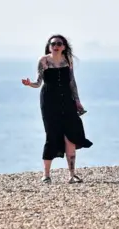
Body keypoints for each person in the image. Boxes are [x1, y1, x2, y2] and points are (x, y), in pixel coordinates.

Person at [21, 34, 93, 183]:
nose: (56, 46)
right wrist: (30, 84)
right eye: (53, 43)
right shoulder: (43, 61)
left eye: (59, 43)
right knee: (52, 135)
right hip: (49, 102)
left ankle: (72, 175)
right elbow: (38, 83)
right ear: (49, 46)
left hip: (67, 100)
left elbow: (72, 82)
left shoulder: (68, 61)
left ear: (64, 47)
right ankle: (46, 175)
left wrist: (77, 101)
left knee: (71, 135)